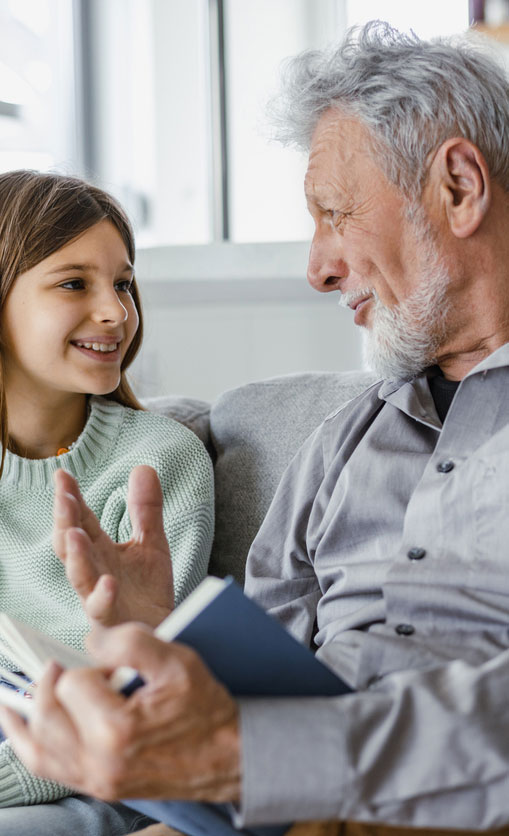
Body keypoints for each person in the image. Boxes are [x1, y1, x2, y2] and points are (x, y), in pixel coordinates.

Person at [5, 19, 509, 835]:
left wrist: (253, 756)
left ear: (457, 186)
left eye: (335, 213)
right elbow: (255, 689)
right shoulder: (344, 442)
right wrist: (148, 638)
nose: (316, 268)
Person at [0, 171, 214, 831]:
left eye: (122, 283)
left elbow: (134, 693)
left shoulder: (159, 461)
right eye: (74, 283)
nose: (116, 312)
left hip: (87, 783)